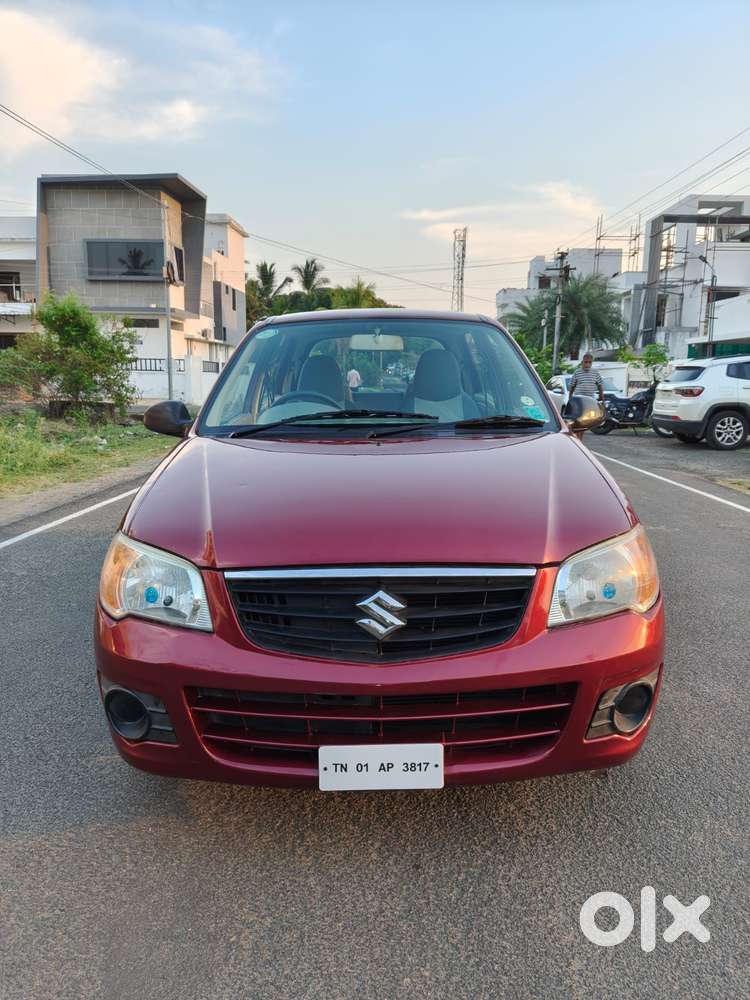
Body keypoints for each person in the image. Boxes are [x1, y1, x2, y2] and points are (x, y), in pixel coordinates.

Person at [567, 353, 604, 440]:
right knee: (577, 420)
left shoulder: (595, 373)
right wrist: (570, 398)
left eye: (589, 362)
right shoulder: (577, 372)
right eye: (586, 362)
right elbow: (572, 386)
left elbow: (600, 385)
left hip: (589, 400)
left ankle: (579, 439)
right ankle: (576, 438)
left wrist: (602, 397)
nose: (587, 364)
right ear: (582, 362)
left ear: (591, 363)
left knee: (585, 421)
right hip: (579, 400)